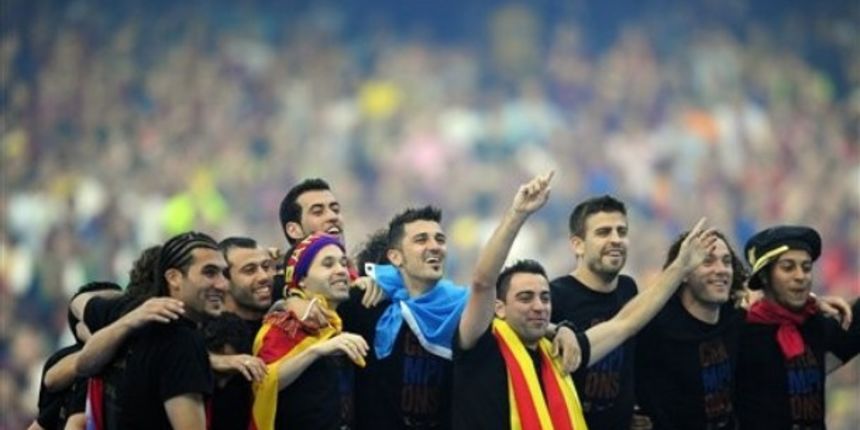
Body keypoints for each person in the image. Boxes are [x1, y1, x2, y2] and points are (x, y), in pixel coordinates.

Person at [454, 178, 718, 429]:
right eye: (525, 297)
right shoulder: (482, 344)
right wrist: (517, 214)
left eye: (544, 298)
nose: (539, 306)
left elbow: (623, 325)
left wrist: (681, 266)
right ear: (498, 308)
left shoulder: (563, 347)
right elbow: (482, 282)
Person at [79, 231, 229, 429]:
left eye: (224, 273)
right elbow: (83, 365)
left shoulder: (131, 313)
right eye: (209, 272)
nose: (223, 284)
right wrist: (129, 321)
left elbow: (78, 304)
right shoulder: (183, 343)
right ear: (174, 278)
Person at [735, 225, 859, 429]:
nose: (800, 275)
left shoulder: (815, 324)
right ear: (765, 276)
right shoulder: (741, 331)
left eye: (806, 267)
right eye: (788, 267)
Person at [250, 233, 368, 430]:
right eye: (328, 264)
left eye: (343, 263)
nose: (341, 271)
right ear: (302, 279)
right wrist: (316, 351)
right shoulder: (284, 323)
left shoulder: (337, 322)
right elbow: (262, 382)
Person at [549, 195, 639, 429]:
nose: (616, 239)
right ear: (577, 244)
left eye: (622, 231)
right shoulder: (554, 296)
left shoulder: (629, 289)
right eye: (603, 232)